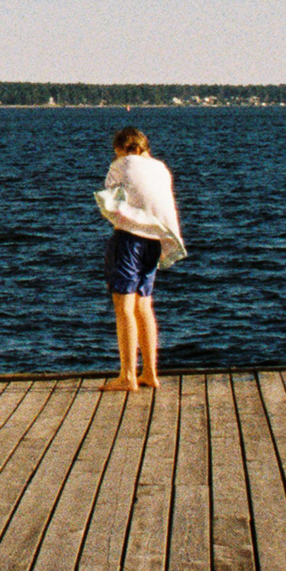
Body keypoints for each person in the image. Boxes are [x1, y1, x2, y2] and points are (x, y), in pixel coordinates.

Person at [93, 126, 186, 393]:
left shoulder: (122, 164)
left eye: (117, 152)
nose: (116, 156)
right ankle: (150, 373)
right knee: (144, 306)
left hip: (129, 240)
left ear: (125, 148)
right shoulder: (161, 168)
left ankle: (127, 376)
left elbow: (110, 196)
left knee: (124, 308)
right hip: (154, 240)